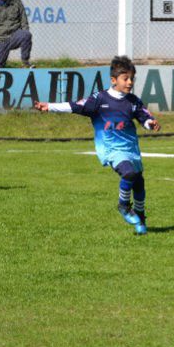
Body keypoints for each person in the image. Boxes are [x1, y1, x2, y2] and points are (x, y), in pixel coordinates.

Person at [32, 56, 161, 235]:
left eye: (132, 78)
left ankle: (140, 217)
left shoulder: (133, 101)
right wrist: (50, 106)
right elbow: (75, 106)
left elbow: (144, 117)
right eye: (126, 78)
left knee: (139, 184)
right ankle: (123, 206)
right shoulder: (99, 99)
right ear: (114, 80)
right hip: (111, 149)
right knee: (129, 173)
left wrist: (150, 124)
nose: (130, 82)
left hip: (131, 149)